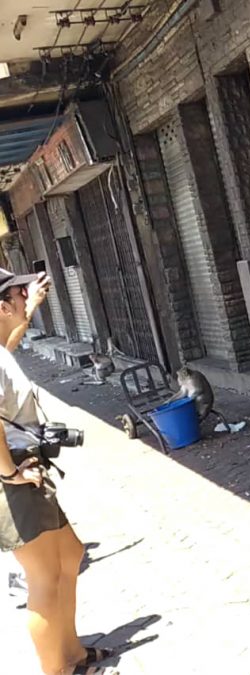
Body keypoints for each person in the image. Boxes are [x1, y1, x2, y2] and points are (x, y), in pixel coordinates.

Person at [0, 269, 112, 674]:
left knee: (70, 555)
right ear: (1, 306)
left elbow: (7, 346)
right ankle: (57, 669)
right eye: (18, 293)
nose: (24, 295)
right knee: (44, 582)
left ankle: (73, 654)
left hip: (25, 477)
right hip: (12, 485)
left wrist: (26, 312)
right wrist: (10, 473)